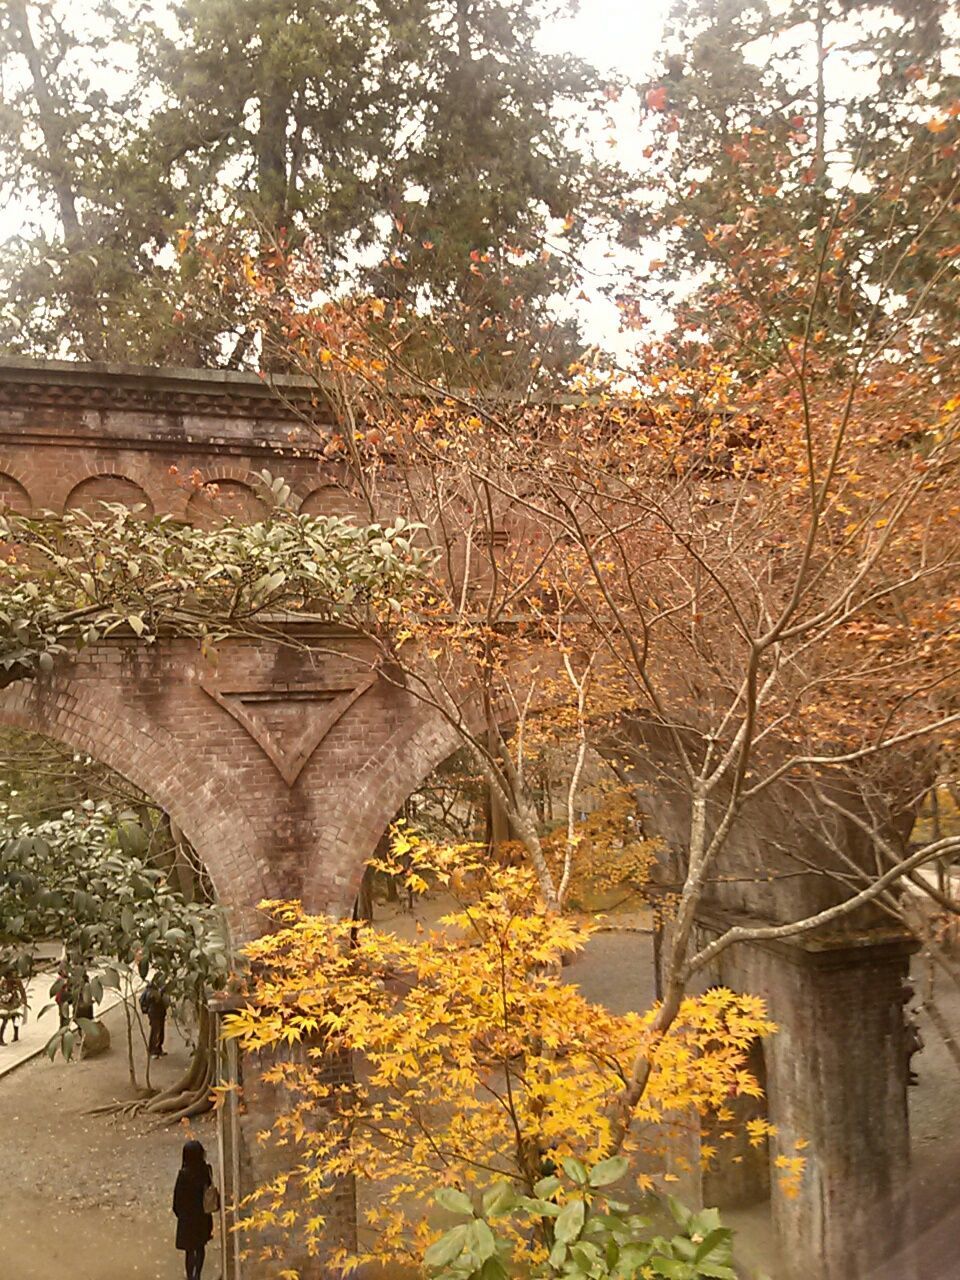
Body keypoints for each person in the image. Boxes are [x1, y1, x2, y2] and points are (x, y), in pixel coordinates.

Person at [172, 1139, 215, 1280]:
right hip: (203, 1216)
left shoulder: (183, 1175)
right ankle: (198, 1275)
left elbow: (177, 1199)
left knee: (189, 1250)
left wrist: (180, 1214)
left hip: (187, 1218)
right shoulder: (206, 1170)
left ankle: (190, 1276)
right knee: (200, 1246)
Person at [142, 980, 169, 1057]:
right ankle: (152, 1050)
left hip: (161, 1012)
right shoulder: (151, 990)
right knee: (155, 1031)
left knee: (161, 1031)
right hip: (154, 1013)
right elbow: (151, 998)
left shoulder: (161, 988)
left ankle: (158, 1048)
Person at [0, 969, 27, 1045]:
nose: (12, 977)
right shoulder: (3, 982)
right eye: (10, 976)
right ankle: (0, 1038)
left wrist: (23, 1000)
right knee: (5, 1019)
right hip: (6, 1003)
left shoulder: (17, 981)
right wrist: (4, 997)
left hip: (14, 1001)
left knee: (15, 1018)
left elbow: (22, 990)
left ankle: (16, 1035)